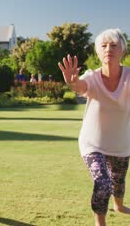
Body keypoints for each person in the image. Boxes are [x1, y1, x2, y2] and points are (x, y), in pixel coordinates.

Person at [58, 28, 130, 226]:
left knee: (118, 183)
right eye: (104, 46)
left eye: (114, 45)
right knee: (103, 183)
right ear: (98, 52)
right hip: (93, 143)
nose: (108, 49)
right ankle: (100, 222)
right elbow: (81, 86)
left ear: (122, 51)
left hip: (121, 144)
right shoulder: (93, 77)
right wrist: (72, 82)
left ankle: (119, 206)